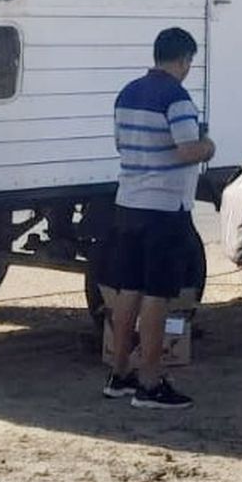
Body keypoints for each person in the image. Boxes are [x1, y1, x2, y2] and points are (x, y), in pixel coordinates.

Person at [101, 27, 215, 410]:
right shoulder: (176, 97)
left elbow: (120, 144)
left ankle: (119, 374)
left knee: (127, 291)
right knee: (157, 296)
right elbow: (186, 150)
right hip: (164, 208)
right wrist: (208, 146)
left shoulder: (127, 92)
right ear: (182, 59)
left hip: (128, 201)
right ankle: (149, 382)